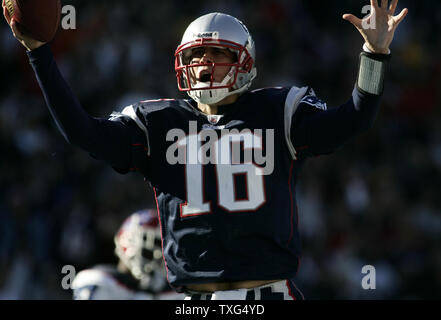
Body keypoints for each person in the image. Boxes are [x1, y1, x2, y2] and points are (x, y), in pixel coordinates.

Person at [3, 0, 408, 300]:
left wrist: (374, 55)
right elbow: (82, 133)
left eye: (218, 53)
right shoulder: (157, 122)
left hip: (266, 296)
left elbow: (352, 120)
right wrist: (38, 53)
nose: (204, 64)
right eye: (197, 54)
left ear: (245, 62)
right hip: (191, 301)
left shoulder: (279, 109)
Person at [71, 209, 184, 300]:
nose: (158, 255)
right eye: (154, 245)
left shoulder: (173, 292)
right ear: (127, 241)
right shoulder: (101, 282)